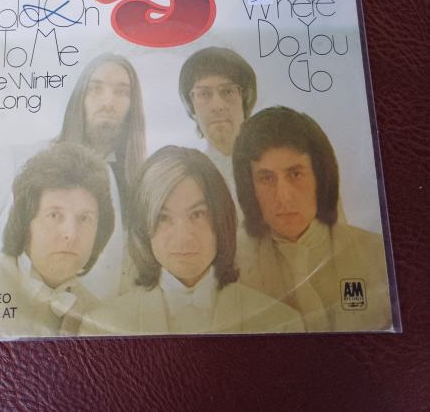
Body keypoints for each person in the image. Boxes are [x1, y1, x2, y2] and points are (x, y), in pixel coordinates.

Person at [80, 146, 304, 336]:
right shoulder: (101, 327)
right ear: (143, 228)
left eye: (197, 214)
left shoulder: (281, 324)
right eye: (163, 217)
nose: (183, 236)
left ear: (221, 220)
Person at [233, 106, 393, 332]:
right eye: (266, 178)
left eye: (295, 174)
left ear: (321, 177)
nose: (283, 197)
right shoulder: (231, 266)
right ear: (249, 187)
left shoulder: (380, 255)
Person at [0, 143, 114, 340]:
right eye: (54, 215)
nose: (71, 234)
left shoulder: (102, 317)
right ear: (25, 223)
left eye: (85, 218)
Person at [57, 52, 146, 298]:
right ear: (80, 98)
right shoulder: (22, 158)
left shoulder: (143, 183)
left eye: (121, 92)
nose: (108, 102)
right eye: (96, 89)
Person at [178, 47, 257, 221]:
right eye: (204, 94)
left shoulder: (272, 167)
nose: (217, 106)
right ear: (192, 106)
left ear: (245, 99)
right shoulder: (188, 177)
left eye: (227, 91)